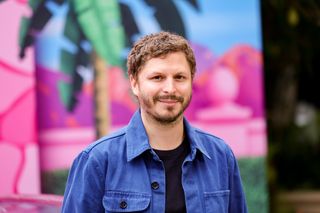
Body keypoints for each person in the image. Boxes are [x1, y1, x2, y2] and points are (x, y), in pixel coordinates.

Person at [62, 31, 247, 213]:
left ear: (191, 81)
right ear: (134, 83)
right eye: (157, 77)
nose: (170, 88)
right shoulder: (97, 160)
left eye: (180, 77)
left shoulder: (220, 156)